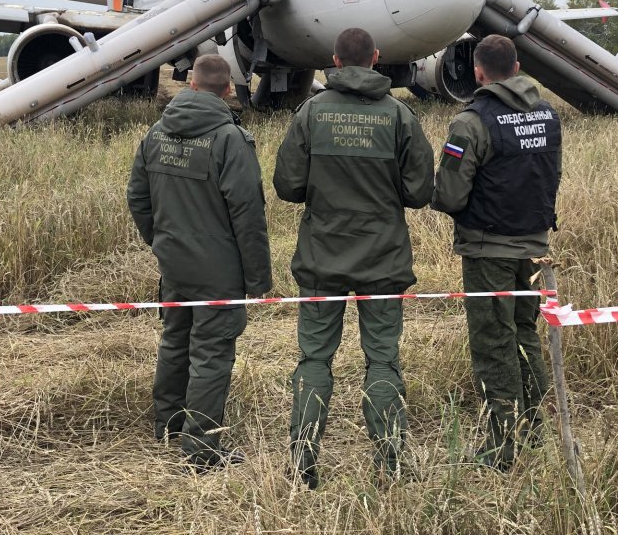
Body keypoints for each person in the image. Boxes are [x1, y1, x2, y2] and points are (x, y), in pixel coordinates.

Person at [273, 27, 434, 489]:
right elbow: (420, 192)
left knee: (314, 361)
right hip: (383, 261)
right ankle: (391, 464)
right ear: (377, 59)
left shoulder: (310, 113)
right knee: (382, 361)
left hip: (323, 259)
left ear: (335, 61)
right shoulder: (400, 116)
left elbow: (287, 186)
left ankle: (303, 465)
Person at [127, 53, 272, 473]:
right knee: (211, 354)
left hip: (174, 264)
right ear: (228, 90)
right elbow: (248, 214)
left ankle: (168, 425)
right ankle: (202, 450)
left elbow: (137, 197)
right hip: (218, 270)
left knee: (175, 339)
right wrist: (258, 278)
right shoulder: (230, 139)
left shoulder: (155, 134)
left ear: (190, 85)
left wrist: (160, 241)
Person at [431, 34, 561, 472]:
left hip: (489, 250)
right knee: (525, 334)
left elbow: (449, 193)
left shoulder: (471, 122)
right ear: (519, 66)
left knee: (492, 342)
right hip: (535, 245)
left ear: (478, 73)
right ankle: (537, 428)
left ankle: (502, 446)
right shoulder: (548, 115)